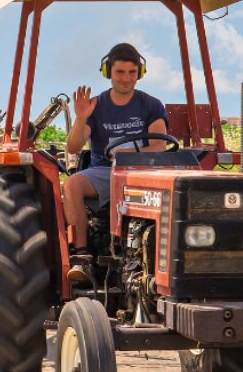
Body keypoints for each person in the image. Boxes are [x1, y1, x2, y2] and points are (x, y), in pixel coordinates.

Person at [64, 42, 168, 285]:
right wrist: (80, 120)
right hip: (105, 172)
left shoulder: (151, 105)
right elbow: (73, 147)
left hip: (143, 170)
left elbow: (159, 146)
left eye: (132, 72)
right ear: (108, 73)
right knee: (72, 185)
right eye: (120, 72)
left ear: (139, 74)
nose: (126, 78)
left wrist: (130, 151)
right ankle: (82, 257)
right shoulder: (96, 106)